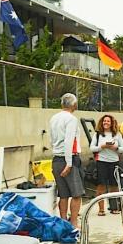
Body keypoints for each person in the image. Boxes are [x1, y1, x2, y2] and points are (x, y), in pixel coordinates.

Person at [50, 93, 84, 228]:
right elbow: (69, 141)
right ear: (74, 105)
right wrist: (69, 163)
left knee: (63, 194)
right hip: (68, 158)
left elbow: (52, 140)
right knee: (76, 193)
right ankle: (74, 222)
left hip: (56, 159)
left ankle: (63, 221)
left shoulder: (53, 118)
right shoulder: (71, 119)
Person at [90, 114, 123, 215]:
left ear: (112, 123)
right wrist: (102, 146)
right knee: (101, 185)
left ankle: (114, 207)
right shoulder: (97, 134)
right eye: (104, 121)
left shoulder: (117, 134)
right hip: (101, 162)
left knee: (114, 186)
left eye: (108, 121)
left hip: (114, 162)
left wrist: (116, 148)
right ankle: (101, 209)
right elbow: (92, 148)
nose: (106, 123)